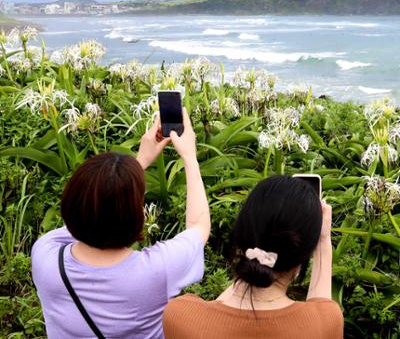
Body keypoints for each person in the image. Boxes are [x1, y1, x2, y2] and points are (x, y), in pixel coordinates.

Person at [31, 109, 210, 339]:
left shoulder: (45, 255)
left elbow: (90, 210)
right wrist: (189, 156)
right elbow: (198, 225)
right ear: (136, 217)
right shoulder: (156, 271)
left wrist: (139, 162)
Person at [163, 175, 343, 339]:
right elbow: (322, 311)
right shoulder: (325, 323)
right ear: (302, 257)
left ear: (241, 230)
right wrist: (323, 241)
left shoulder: (180, 317)